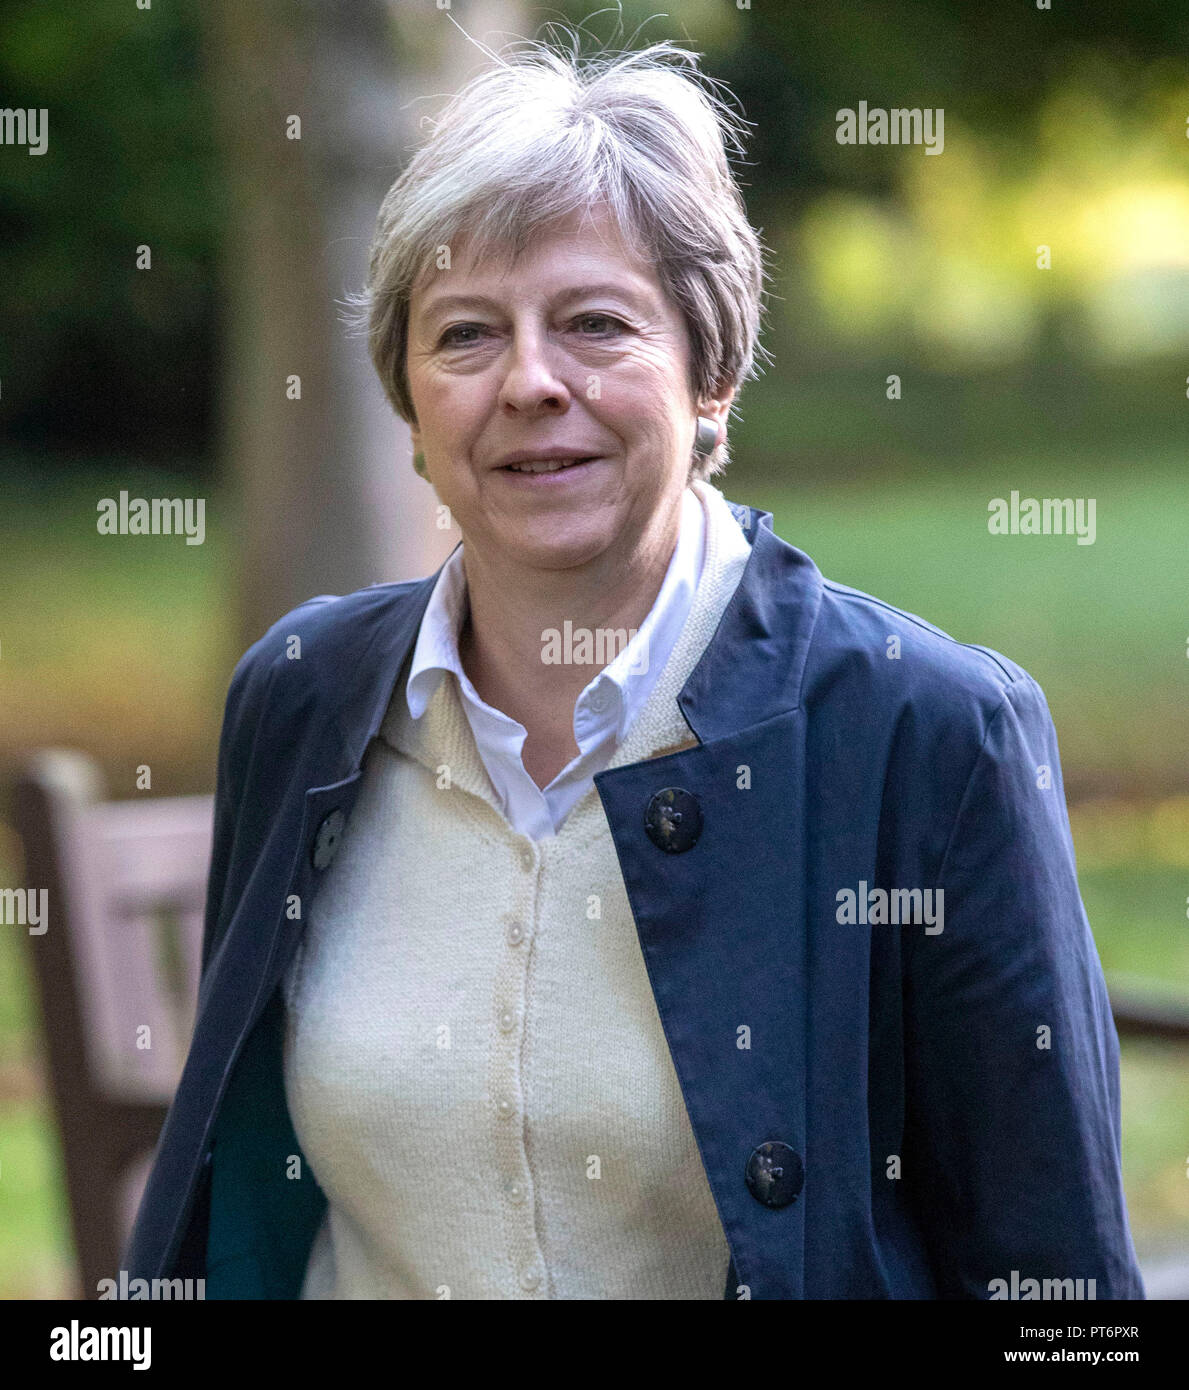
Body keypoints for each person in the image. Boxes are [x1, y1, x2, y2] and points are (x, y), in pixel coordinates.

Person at [123, 36, 1144, 1300]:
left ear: (710, 373)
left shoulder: (930, 733)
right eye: (466, 335)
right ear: (409, 397)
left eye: (596, 324)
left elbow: (1058, 1285)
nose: (531, 383)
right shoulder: (301, 693)